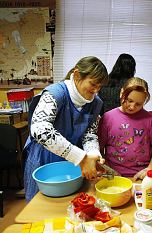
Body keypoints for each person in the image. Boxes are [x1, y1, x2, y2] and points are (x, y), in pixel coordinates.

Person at [23, 56, 109, 201]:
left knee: (70, 206)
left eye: (100, 87)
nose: (96, 90)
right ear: (76, 75)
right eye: (93, 84)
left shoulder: (95, 103)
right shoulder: (55, 94)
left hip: (72, 161)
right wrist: (81, 158)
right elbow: (40, 129)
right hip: (44, 156)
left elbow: (89, 134)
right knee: (41, 207)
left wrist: (93, 154)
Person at [98, 77, 152, 180]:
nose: (132, 107)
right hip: (114, 175)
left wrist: (150, 169)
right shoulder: (107, 118)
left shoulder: (150, 120)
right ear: (121, 93)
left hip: (142, 175)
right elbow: (100, 149)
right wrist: (107, 168)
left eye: (138, 104)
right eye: (129, 101)